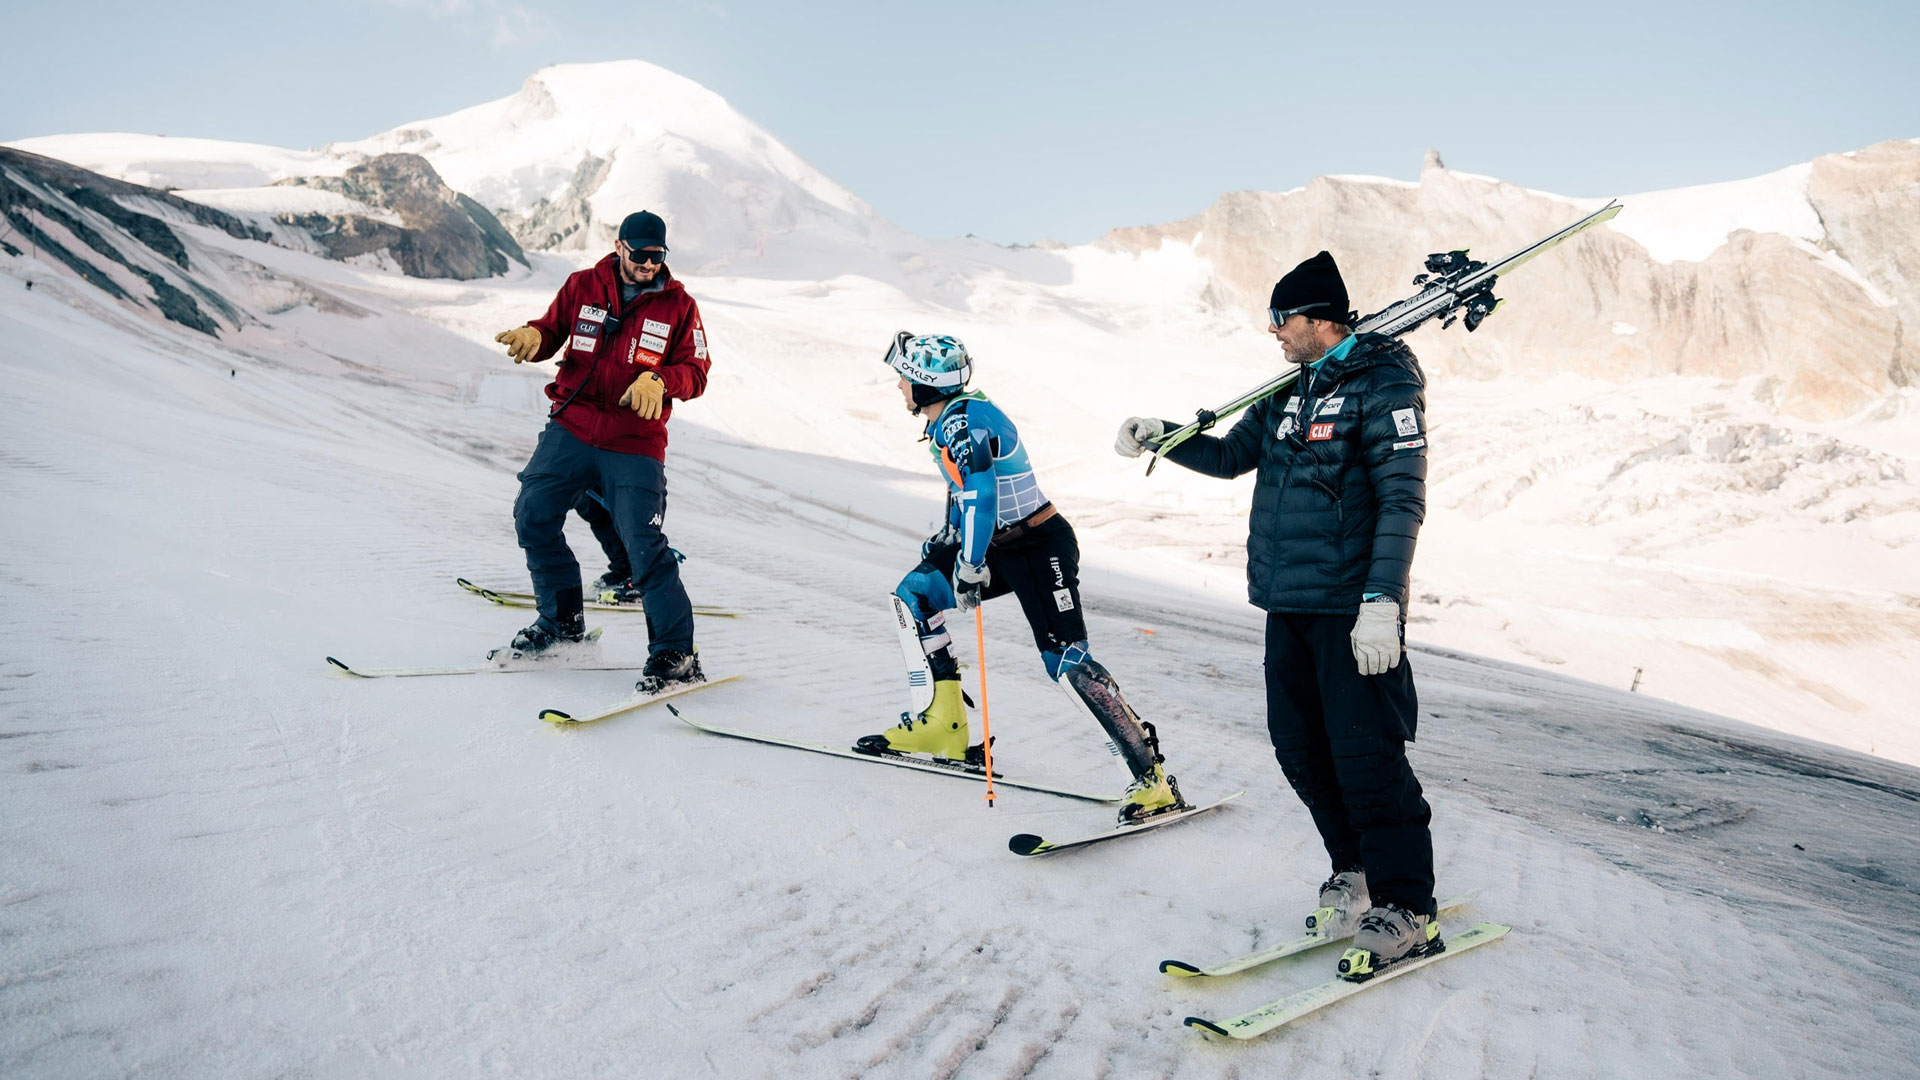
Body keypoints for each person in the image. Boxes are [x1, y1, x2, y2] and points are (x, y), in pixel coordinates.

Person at [1115, 251, 1438, 976]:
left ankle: (1408, 906)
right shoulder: (1290, 390)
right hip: (1286, 602)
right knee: (1300, 748)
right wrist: (1162, 434)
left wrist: (1383, 601)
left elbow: (1401, 501)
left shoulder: (1383, 387)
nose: (1272, 333)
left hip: (1352, 608)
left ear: (1321, 317)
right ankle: (1352, 868)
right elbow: (1232, 457)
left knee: (1368, 757)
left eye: (1280, 318)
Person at [862, 332, 1184, 824]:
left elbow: (983, 494)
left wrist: (968, 564)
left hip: (1037, 546)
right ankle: (941, 725)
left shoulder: (965, 420)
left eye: (904, 378)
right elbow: (962, 491)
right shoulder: (950, 419)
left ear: (926, 384)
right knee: (915, 596)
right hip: (998, 543)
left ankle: (1151, 780)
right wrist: (951, 539)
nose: (898, 387)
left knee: (1066, 661)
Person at [491, 210, 710, 693]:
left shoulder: (681, 307)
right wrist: (534, 334)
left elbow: (696, 371)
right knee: (533, 515)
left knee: (643, 543)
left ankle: (676, 654)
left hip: (634, 440)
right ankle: (561, 625)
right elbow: (551, 331)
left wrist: (661, 378)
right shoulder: (583, 285)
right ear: (619, 247)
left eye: (658, 256)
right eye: (640, 255)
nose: (648, 265)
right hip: (572, 424)